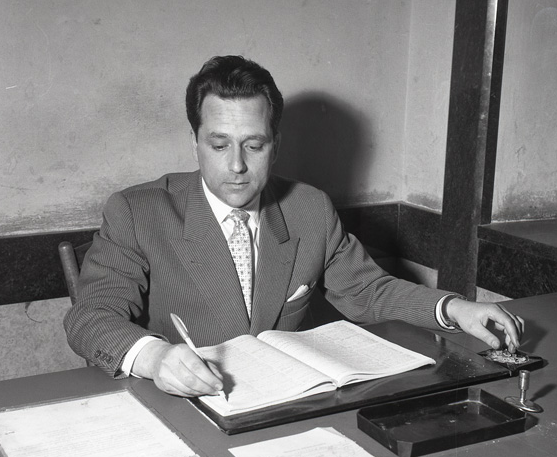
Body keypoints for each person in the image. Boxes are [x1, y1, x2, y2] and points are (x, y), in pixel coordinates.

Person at [64, 55, 523, 398]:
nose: (237, 165)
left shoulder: (309, 208)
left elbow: (368, 291)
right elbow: (90, 317)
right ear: (194, 142)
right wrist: (154, 357)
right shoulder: (137, 212)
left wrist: (454, 308)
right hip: (181, 407)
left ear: (276, 145)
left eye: (254, 146)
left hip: (285, 405)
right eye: (219, 145)